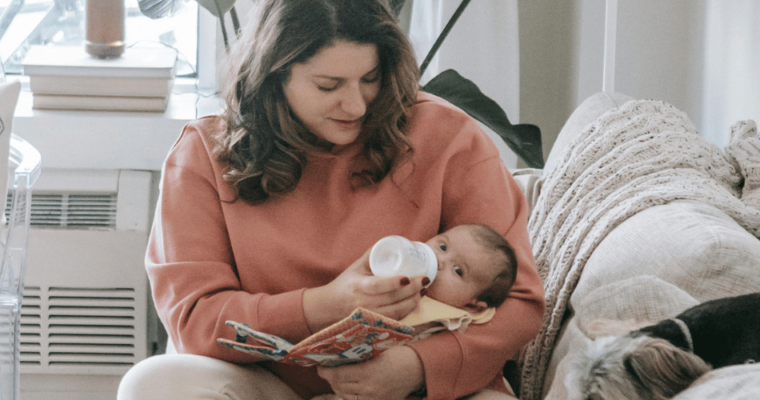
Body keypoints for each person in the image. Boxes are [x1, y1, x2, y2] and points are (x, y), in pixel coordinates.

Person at [117, 0, 544, 399]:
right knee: (153, 383)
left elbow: (520, 303)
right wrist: (325, 305)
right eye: (328, 85)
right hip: (263, 381)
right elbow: (193, 319)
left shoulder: (448, 137)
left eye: (370, 79)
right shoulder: (204, 154)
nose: (356, 105)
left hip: (419, 385)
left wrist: (415, 367)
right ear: (274, 75)